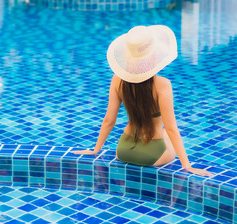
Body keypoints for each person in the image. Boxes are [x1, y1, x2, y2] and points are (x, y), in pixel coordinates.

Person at [73, 25, 212, 177]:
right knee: (167, 134)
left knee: (166, 133)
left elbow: (108, 120)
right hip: (152, 155)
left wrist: (96, 149)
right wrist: (188, 166)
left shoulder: (117, 80)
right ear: (154, 55)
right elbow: (172, 129)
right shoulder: (162, 85)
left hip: (124, 151)